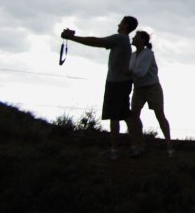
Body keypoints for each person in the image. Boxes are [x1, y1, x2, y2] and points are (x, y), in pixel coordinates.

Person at [61, 15, 145, 158]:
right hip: (118, 83)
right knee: (121, 115)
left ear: (125, 26)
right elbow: (97, 42)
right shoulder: (122, 40)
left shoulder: (120, 38)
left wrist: (72, 37)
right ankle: (129, 148)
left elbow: (96, 41)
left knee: (119, 116)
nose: (118, 25)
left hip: (117, 83)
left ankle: (124, 149)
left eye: (120, 23)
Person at [128, 30, 173, 157]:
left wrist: (127, 72)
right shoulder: (133, 55)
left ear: (142, 40)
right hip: (138, 88)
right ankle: (139, 145)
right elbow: (135, 72)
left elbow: (140, 72)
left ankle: (170, 148)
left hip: (152, 87)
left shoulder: (148, 54)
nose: (133, 38)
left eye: (136, 36)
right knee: (134, 116)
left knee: (160, 115)